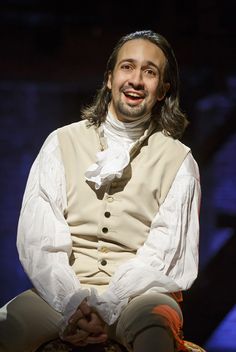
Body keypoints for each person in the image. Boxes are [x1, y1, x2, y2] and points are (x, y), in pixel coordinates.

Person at [0, 29, 201, 352]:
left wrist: (109, 305)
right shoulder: (60, 143)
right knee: (7, 327)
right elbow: (39, 240)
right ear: (109, 78)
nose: (136, 80)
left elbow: (166, 254)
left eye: (149, 72)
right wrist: (72, 302)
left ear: (162, 90)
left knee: (155, 330)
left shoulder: (179, 161)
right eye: (127, 67)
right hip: (61, 292)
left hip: (139, 296)